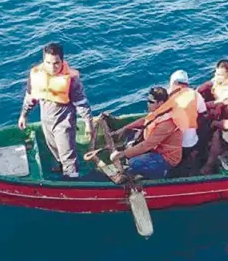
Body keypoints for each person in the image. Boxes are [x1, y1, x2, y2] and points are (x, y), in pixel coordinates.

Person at [18, 42, 93, 178]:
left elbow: (81, 103)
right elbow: (30, 98)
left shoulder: (71, 80)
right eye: (48, 63)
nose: (52, 67)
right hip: (46, 121)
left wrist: (88, 123)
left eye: (56, 63)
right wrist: (24, 115)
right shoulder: (36, 74)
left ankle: (72, 181)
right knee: (53, 148)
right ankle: (59, 164)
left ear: (62, 61)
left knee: (68, 156)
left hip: (64, 123)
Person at [110, 87, 183, 179]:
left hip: (167, 157)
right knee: (130, 141)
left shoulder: (167, 123)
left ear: (160, 103)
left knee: (134, 162)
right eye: (147, 100)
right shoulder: (161, 111)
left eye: (151, 102)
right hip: (156, 149)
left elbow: (147, 145)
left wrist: (123, 153)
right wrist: (125, 128)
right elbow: (146, 120)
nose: (148, 104)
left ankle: (161, 175)